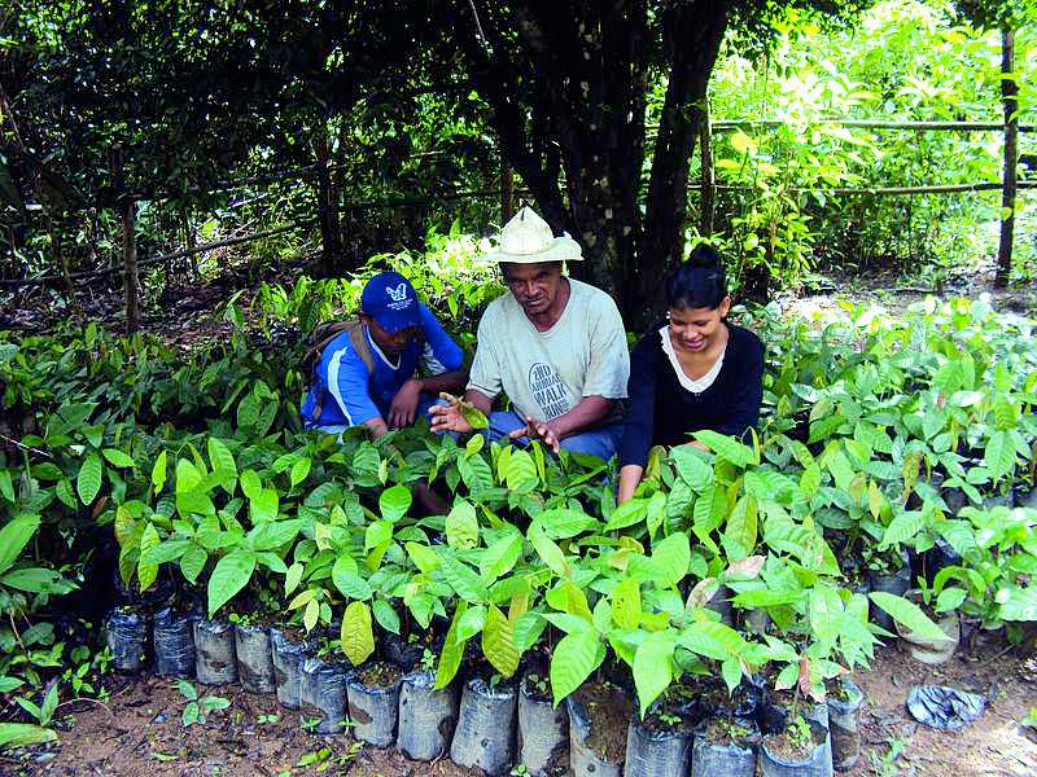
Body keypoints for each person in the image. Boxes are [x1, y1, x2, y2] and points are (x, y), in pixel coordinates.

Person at [429, 207, 629, 460]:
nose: (530, 290)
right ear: (506, 277)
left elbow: (603, 398)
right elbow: (481, 389)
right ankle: (433, 492)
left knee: (569, 455)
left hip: (593, 429)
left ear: (559, 268)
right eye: (517, 281)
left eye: (540, 276)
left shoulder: (597, 308)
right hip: (523, 426)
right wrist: (469, 413)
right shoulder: (497, 315)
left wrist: (553, 429)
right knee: (446, 420)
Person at [616, 245, 764, 502]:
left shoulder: (746, 350)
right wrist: (625, 506)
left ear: (724, 307)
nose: (689, 334)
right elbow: (638, 428)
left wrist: (684, 455)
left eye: (701, 323)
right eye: (678, 322)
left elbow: (743, 428)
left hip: (723, 465)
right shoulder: (650, 351)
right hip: (659, 471)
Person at [301, 271, 467, 437]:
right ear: (365, 319)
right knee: (361, 443)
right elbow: (376, 432)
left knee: (446, 410)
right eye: (391, 329)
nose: (401, 339)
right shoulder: (344, 359)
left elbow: (461, 377)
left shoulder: (418, 318)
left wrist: (417, 385)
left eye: (407, 327)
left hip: (390, 410)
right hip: (337, 423)